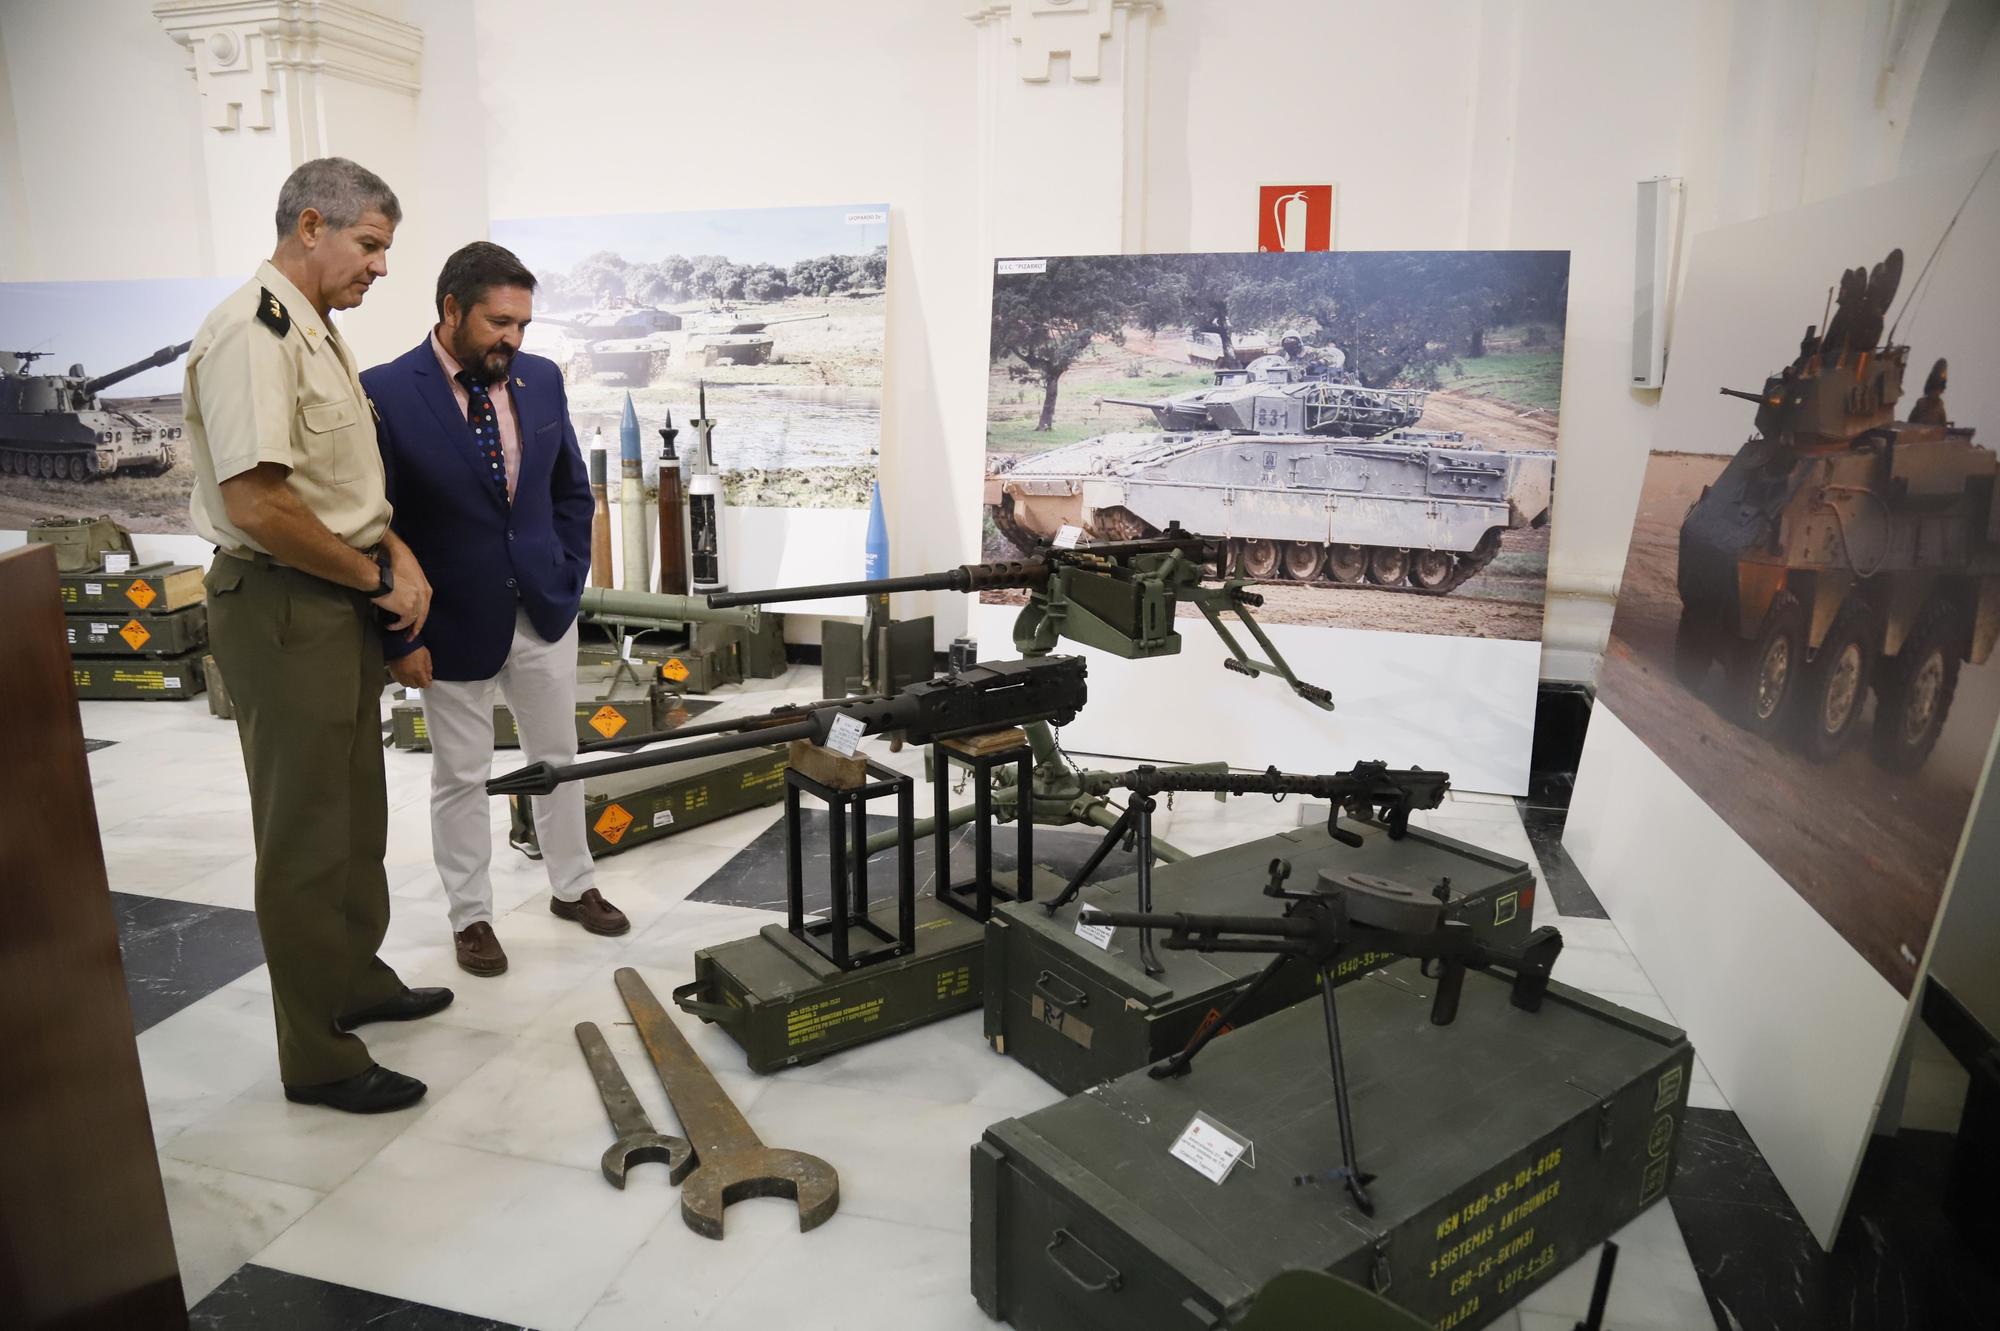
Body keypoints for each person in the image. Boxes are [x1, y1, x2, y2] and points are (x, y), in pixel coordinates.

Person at [187, 157, 451, 1116]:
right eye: (370, 246)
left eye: (385, 249)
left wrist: (396, 551)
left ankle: (353, 978)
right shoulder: (250, 334)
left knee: (353, 814)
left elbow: (340, 487)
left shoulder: (312, 330)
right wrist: (377, 576)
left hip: (329, 596)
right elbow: (258, 503)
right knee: (302, 835)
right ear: (310, 225)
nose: (381, 268)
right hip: (282, 602)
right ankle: (317, 1053)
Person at [361, 242, 627, 978]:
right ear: (451, 309)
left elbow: (572, 489)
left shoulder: (540, 380)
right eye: (499, 321)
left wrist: (569, 575)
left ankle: (573, 886)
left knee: (558, 760)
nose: (513, 338)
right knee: (461, 775)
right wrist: (397, 636)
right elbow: (371, 523)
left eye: (523, 323)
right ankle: (471, 916)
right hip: (445, 627)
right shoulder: (384, 391)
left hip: (544, 610)